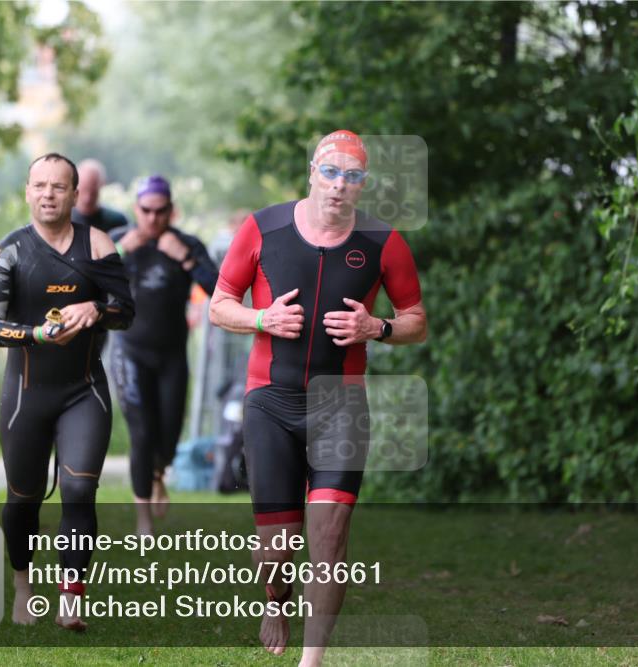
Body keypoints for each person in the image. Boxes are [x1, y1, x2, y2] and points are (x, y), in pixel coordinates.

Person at [209, 130, 427, 666]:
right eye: (330, 172)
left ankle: (313, 660)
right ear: (312, 172)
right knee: (277, 553)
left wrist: (376, 327)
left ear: (362, 185)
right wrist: (262, 318)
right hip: (270, 404)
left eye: (352, 176)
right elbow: (219, 304)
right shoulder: (264, 228)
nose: (339, 185)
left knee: (329, 536)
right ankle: (275, 601)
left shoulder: (383, 241)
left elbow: (417, 322)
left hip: (342, 408)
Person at [0, 153, 134, 631]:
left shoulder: (99, 244)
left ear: (74, 195)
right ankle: (24, 588)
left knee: (80, 488)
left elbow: (125, 310)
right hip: (26, 393)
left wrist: (95, 310)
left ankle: (71, 597)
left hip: (83, 390)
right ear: (28, 192)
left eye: (59, 187)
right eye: (40, 185)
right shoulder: (9, 252)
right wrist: (37, 335)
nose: (48, 194)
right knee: (22, 499)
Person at [108, 175, 218, 535]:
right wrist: (122, 251)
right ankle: (142, 518)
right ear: (135, 209)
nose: (153, 219)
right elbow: (85, 278)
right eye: (146, 211)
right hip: (130, 351)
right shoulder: (116, 243)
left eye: (160, 211)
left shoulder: (186, 243)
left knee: (169, 434)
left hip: (172, 353)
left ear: (171, 210)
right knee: (141, 433)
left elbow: (219, 290)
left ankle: (159, 473)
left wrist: (184, 258)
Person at [72, 158, 130, 233]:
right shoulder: (60, 219)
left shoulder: (118, 220)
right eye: (84, 190)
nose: (88, 198)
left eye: (93, 192)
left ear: (102, 185)